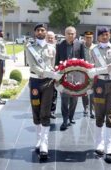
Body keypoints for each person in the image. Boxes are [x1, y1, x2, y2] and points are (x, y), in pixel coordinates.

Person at [26, 23, 62, 160]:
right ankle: (38, 139)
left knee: (45, 111)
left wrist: (54, 75)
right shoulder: (30, 48)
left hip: (48, 83)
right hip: (35, 82)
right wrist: (46, 72)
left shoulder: (52, 48)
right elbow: (33, 66)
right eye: (38, 30)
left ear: (46, 32)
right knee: (36, 110)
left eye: (43, 30)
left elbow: (53, 66)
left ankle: (44, 144)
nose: (41, 32)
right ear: (35, 33)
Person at [88, 27, 111, 164]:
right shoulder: (93, 50)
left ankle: (109, 147)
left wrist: (97, 70)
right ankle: (99, 144)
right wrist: (90, 86)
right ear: (98, 37)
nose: (105, 37)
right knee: (99, 113)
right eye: (102, 35)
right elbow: (90, 69)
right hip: (99, 84)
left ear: (110, 35)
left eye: (107, 34)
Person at [55, 26, 85, 131]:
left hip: (76, 76)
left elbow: (83, 61)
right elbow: (56, 61)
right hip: (64, 76)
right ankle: (65, 120)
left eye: (72, 33)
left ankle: (71, 117)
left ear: (75, 34)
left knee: (74, 99)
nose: (70, 35)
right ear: (65, 34)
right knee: (64, 99)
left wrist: (82, 77)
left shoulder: (80, 45)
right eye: (68, 33)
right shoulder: (59, 45)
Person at [0, 28, 17, 104]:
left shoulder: (0, 40)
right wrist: (9, 57)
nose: (3, 32)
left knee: (0, 80)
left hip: (2, 61)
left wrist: (4, 64)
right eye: (1, 31)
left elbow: (3, 53)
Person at [83, 31, 96, 119]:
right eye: (87, 37)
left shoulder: (96, 47)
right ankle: (85, 107)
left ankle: (93, 110)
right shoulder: (81, 47)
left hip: (93, 71)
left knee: (93, 91)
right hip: (83, 72)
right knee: (84, 91)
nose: (88, 39)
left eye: (90, 37)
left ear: (93, 38)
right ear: (84, 38)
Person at [46, 31, 58, 119]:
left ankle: (52, 111)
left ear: (54, 39)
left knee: (54, 93)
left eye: (52, 37)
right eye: (48, 37)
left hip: (55, 74)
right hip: (45, 75)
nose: (50, 39)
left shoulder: (57, 48)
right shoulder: (43, 48)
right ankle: (44, 110)